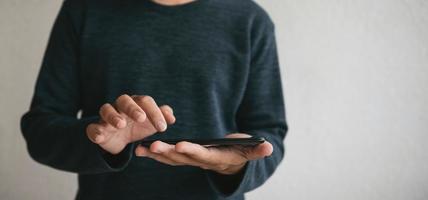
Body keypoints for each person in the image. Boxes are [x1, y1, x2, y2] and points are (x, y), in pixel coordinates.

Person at [20, 0, 288, 199]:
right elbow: (40, 130)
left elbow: (269, 135)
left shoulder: (250, 20)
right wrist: (98, 139)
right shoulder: (83, 10)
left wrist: (235, 166)